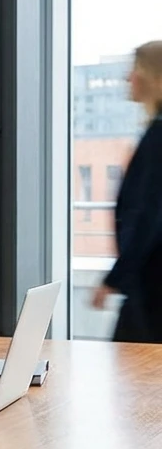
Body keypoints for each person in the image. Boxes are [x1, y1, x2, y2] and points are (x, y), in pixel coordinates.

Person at [93, 40, 162, 341]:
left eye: (134, 68)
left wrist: (114, 278)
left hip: (152, 290)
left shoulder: (159, 137)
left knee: (131, 377)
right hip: (148, 285)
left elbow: (148, 215)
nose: (127, 77)